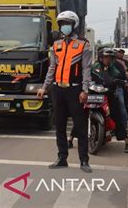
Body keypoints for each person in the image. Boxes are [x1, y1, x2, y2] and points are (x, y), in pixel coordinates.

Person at [37, 11, 93, 173]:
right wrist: (44, 87)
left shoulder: (84, 44)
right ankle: (62, 158)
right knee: (59, 126)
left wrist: (84, 90)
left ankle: (84, 160)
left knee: (80, 125)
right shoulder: (56, 45)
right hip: (57, 90)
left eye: (67, 23)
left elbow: (86, 69)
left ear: (73, 24)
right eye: (61, 24)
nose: (64, 26)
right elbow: (52, 68)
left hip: (75, 90)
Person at [91, 48, 128, 153]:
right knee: (80, 113)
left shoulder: (112, 68)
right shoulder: (95, 67)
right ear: (101, 58)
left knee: (117, 115)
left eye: (109, 57)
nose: (108, 59)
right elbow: (89, 75)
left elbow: (117, 76)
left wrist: (122, 82)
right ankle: (71, 138)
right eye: (106, 57)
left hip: (108, 96)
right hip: (94, 95)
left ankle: (127, 142)